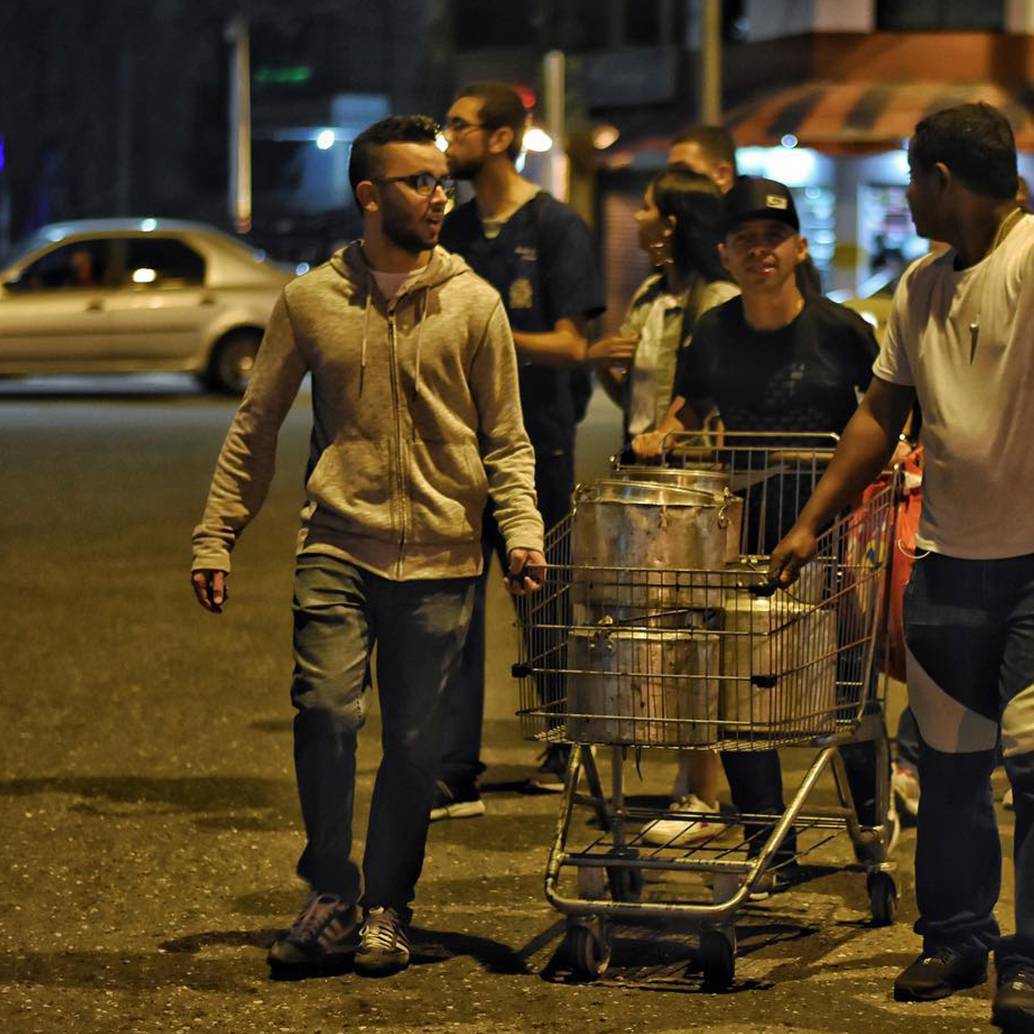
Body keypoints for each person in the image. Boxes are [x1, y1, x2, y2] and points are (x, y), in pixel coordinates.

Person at [190, 115, 545, 977]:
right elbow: (259, 421)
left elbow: (506, 439)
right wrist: (217, 533)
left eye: (442, 180)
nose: (439, 195)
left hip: (443, 557)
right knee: (326, 711)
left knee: (418, 749)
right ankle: (332, 893)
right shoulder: (309, 300)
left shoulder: (474, 302)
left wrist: (522, 532)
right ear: (369, 194)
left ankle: (388, 905)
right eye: (420, 182)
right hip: (338, 544)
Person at [770, 102, 1034, 1030]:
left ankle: (1030, 958)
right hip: (949, 560)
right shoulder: (920, 288)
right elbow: (881, 414)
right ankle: (956, 936)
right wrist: (810, 522)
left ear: (943, 181)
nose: (910, 196)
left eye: (915, 179)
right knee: (952, 763)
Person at [634, 176, 888, 890]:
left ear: (799, 247)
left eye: (773, 238)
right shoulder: (713, 331)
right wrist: (664, 433)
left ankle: (869, 830)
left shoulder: (842, 331)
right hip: (747, 534)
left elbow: (887, 410)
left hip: (840, 535)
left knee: (848, 689)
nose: (760, 251)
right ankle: (769, 842)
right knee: (745, 688)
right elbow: (688, 405)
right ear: (724, 253)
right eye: (745, 240)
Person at [434, 81, 605, 812]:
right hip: (455, 451)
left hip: (539, 443)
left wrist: (486, 338)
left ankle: (563, 740)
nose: (447, 140)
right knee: (451, 611)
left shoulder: (558, 227)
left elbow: (574, 344)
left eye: (459, 126)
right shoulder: (455, 230)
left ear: (501, 138)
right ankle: (452, 767)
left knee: (547, 601)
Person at [589, 167, 737, 845]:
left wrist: (671, 433)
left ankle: (703, 793)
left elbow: (709, 397)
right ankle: (694, 783)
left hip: (699, 491)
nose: (639, 218)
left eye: (647, 208)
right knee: (663, 636)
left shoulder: (717, 299)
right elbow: (639, 409)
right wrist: (605, 367)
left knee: (697, 636)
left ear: (673, 223)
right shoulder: (652, 294)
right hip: (651, 489)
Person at [668, 123, 823, 296]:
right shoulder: (689, 230)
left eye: (684, 172)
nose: (673, 182)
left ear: (722, 174)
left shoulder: (763, 213)